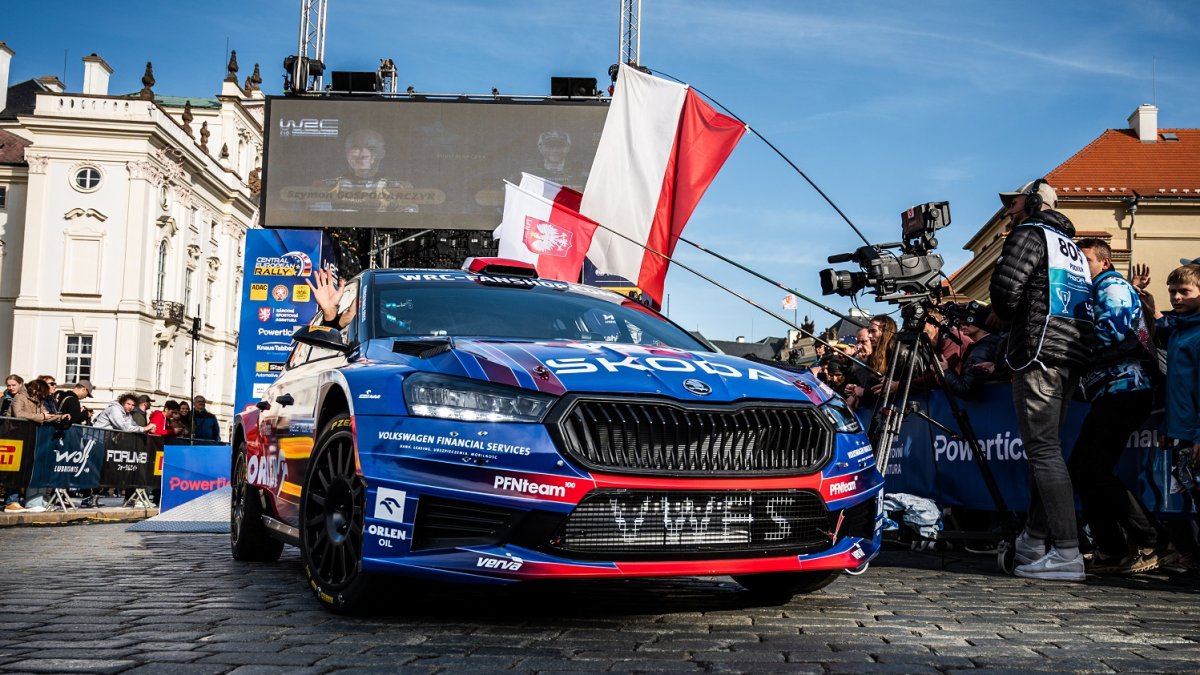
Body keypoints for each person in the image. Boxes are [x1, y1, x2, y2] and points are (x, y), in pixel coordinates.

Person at [989, 178, 1094, 581]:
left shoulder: (1029, 233)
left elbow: (1005, 293)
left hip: (1037, 352)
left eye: (1013, 201)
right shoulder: (1069, 244)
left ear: (1032, 201)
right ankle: (1034, 540)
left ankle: (1067, 552)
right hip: (1069, 354)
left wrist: (998, 313)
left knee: (1044, 453)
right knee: (1046, 451)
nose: (1008, 209)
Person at [1066, 239, 1158, 574]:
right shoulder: (1094, 291)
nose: (1080, 266)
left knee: (1090, 469)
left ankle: (1149, 540)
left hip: (1126, 387)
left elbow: (1112, 334)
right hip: (1109, 389)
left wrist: (1067, 349)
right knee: (1083, 469)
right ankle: (1112, 548)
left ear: (1104, 262)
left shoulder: (1112, 286)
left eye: (1085, 260)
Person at [312, 129, 415, 213]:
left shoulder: (400, 187)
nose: (361, 154)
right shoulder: (324, 187)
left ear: (382, 153)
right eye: (355, 148)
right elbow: (318, 217)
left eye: (371, 148)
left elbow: (408, 217)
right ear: (346, 154)